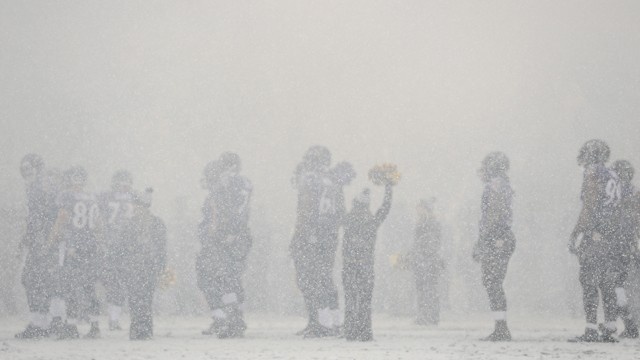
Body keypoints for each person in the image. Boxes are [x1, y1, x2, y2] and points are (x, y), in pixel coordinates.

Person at [290, 146, 349, 337]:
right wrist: (330, 232)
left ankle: (320, 323)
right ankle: (334, 321)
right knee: (324, 278)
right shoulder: (334, 181)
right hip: (328, 237)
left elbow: (306, 209)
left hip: (310, 235)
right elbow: (341, 212)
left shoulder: (311, 178)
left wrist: (306, 234)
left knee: (309, 279)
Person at [568, 139, 620, 342]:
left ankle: (590, 329)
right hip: (612, 234)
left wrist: (579, 232)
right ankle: (610, 328)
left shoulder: (592, 172)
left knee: (589, 280)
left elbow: (589, 206)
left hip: (595, 234)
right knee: (607, 283)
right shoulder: (613, 175)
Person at [197, 152, 253, 338]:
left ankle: (233, 320)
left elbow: (225, 210)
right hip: (238, 235)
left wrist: (226, 233)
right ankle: (233, 318)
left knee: (225, 279)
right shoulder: (243, 184)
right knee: (229, 279)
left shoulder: (229, 185)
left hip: (227, 236)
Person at [49, 166, 103, 339]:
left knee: (70, 286)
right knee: (89, 287)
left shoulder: (66, 195)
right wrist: (97, 244)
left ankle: (71, 326)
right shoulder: (92, 198)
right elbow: (98, 225)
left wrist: (50, 241)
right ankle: (95, 326)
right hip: (91, 247)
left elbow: (62, 218)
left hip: (73, 247)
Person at [342, 174, 393, 341]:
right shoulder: (371, 221)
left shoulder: (349, 219)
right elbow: (384, 209)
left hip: (349, 264)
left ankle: (350, 330)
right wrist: (388, 189)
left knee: (350, 298)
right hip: (366, 265)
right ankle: (364, 331)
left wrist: (340, 185)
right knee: (364, 300)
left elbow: (338, 209)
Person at [15, 155, 60, 339]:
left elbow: (43, 217)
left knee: (34, 279)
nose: (26, 173)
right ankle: (50, 320)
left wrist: (43, 241)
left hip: (44, 242)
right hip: (43, 241)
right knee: (41, 281)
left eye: (29, 169)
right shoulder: (38, 187)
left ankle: (42, 322)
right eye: (23, 170)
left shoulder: (39, 188)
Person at [472, 151, 515, 342]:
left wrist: (484, 239)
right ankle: (500, 326)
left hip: (496, 237)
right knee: (492, 282)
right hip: (500, 236)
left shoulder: (495, 185)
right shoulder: (503, 184)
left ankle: (501, 328)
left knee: (492, 281)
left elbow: (493, 214)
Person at [123, 188, 167, 340]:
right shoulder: (130, 224)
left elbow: (161, 248)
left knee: (145, 298)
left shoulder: (156, 224)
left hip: (148, 267)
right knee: (136, 298)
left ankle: (144, 328)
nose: (134, 208)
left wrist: (160, 267)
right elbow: (123, 247)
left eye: (137, 205)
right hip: (135, 267)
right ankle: (139, 327)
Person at [99, 170, 136, 331]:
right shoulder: (134, 197)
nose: (124, 186)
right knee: (119, 282)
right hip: (121, 245)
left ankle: (112, 318)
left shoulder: (106, 197)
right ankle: (113, 318)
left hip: (117, 244)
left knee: (116, 282)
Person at [609, 160, 639, 338]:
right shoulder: (635, 192)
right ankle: (628, 325)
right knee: (619, 285)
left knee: (613, 286)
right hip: (629, 244)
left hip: (616, 243)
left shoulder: (615, 192)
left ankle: (627, 325)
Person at [408, 198, 443, 326]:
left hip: (427, 260)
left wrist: (423, 254)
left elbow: (431, 242)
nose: (417, 209)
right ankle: (425, 316)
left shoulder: (429, 223)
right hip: (423, 259)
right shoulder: (425, 222)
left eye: (419, 207)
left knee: (428, 288)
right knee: (424, 288)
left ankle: (430, 316)